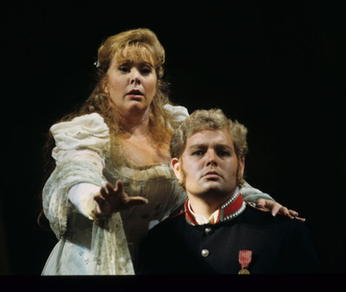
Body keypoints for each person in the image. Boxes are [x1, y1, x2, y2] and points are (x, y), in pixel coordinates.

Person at [40, 28, 301, 275]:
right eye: (124, 69)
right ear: (105, 84)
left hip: (158, 261)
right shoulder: (89, 130)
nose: (135, 78)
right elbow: (75, 174)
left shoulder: (174, 129)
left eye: (145, 70)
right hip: (94, 261)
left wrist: (255, 199)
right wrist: (95, 200)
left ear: (156, 81)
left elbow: (211, 170)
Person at [136, 109, 321, 274]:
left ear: (240, 166)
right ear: (177, 168)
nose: (211, 160)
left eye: (223, 152)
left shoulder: (284, 231)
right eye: (198, 152)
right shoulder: (156, 243)